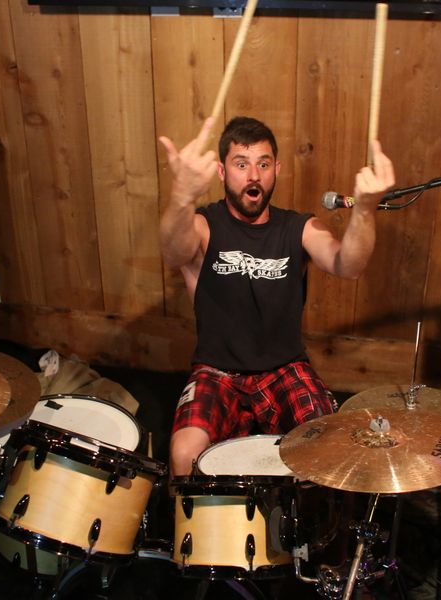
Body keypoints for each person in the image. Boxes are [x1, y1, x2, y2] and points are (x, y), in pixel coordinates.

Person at [159, 116, 395, 476]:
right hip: (216, 371)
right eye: (241, 164)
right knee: (183, 453)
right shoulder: (203, 225)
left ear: (277, 170)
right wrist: (182, 195)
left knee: (329, 447)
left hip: (284, 368)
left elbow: (348, 265)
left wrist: (364, 210)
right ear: (222, 172)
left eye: (264, 164)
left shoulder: (298, 227)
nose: (253, 175)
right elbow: (173, 252)